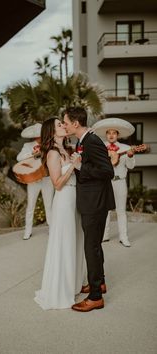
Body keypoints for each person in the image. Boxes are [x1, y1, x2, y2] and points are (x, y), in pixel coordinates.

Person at [63, 107, 115, 312]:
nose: (65, 125)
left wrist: (79, 167)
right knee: (94, 246)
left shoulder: (91, 141)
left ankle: (95, 297)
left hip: (95, 202)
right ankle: (99, 283)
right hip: (92, 200)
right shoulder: (82, 141)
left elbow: (107, 171)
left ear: (76, 123)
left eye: (66, 122)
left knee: (90, 247)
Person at [34, 117, 86, 310]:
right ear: (51, 132)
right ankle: (59, 289)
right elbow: (57, 183)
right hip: (64, 201)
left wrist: (76, 163)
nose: (64, 126)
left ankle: (72, 284)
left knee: (74, 241)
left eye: (62, 123)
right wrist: (73, 165)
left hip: (75, 199)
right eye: (59, 125)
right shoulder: (52, 154)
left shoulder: (67, 150)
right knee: (64, 242)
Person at [92, 118, 136, 247]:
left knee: (121, 211)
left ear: (118, 135)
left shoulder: (126, 148)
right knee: (105, 210)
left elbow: (131, 166)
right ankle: (105, 235)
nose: (111, 135)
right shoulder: (100, 148)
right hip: (105, 182)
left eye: (114, 133)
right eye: (109, 133)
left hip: (120, 182)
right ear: (106, 135)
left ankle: (124, 237)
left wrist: (130, 156)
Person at [16, 123, 54, 240]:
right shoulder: (28, 145)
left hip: (47, 178)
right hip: (33, 179)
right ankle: (28, 230)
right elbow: (19, 157)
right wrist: (32, 154)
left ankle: (52, 229)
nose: (39, 137)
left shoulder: (50, 145)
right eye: (37, 135)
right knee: (31, 205)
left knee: (49, 205)